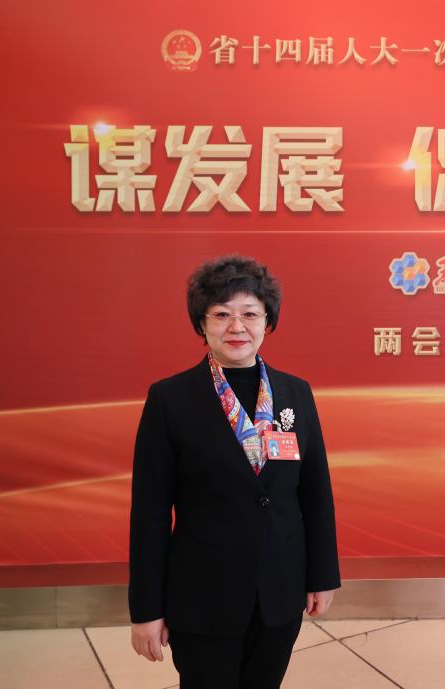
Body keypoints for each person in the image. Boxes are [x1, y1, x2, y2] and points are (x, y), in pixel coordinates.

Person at [128, 255, 340, 689]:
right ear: (201, 324)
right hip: (203, 596)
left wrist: (322, 576)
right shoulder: (170, 399)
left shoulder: (295, 392)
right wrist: (146, 609)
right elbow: (149, 513)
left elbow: (316, 492)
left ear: (267, 322)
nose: (236, 327)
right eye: (222, 314)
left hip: (280, 591)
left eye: (249, 314)